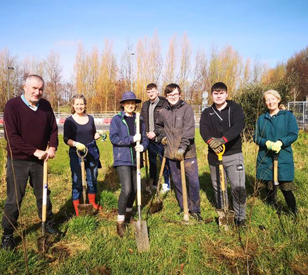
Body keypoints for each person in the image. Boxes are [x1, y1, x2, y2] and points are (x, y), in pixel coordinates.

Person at [1, 75, 59, 250]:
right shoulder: (12, 106)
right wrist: (35, 151)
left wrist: (52, 147)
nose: (37, 92)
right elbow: (12, 137)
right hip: (18, 160)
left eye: (40, 89)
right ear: (24, 87)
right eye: (34, 88)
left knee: (44, 195)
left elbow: (53, 129)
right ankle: (8, 235)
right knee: (15, 199)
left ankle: (47, 223)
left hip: (41, 161)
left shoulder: (46, 106)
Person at [200, 82, 247, 226]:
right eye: (215, 93)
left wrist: (223, 140)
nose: (218, 96)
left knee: (238, 187)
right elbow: (203, 130)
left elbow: (238, 125)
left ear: (226, 94)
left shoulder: (235, 108)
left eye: (221, 93)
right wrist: (210, 141)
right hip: (214, 155)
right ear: (212, 95)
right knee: (218, 187)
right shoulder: (207, 112)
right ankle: (223, 214)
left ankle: (240, 217)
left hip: (233, 154)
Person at [156, 83, 203, 221]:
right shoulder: (163, 111)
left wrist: (182, 148)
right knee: (176, 181)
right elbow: (159, 126)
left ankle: (194, 209)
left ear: (180, 94)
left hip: (187, 153)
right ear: (166, 96)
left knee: (193, 181)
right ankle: (184, 207)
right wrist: (162, 137)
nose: (172, 97)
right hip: (171, 153)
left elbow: (189, 131)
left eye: (175, 94)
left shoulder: (186, 109)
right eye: (170, 95)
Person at [110, 91, 148, 237]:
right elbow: (114, 138)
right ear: (123, 105)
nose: (131, 105)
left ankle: (128, 214)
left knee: (135, 189)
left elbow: (144, 138)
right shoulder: (117, 120)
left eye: (133, 103)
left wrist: (143, 146)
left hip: (136, 158)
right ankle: (120, 222)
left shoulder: (140, 120)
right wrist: (132, 139)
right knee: (126, 189)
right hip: (122, 158)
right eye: (128, 103)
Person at [253, 90, 298, 215]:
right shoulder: (262, 118)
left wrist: (281, 142)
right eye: (267, 100)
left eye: (272, 99)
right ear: (265, 103)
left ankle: (294, 212)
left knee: (286, 188)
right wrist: (265, 142)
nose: (270, 102)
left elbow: (294, 134)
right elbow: (255, 137)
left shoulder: (288, 116)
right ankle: (272, 209)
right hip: (266, 157)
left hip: (283, 157)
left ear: (278, 100)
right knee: (269, 186)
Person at [64, 94, 103, 216]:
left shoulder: (90, 118)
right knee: (77, 181)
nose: (79, 106)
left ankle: (92, 203)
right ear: (73, 105)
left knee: (92, 179)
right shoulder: (69, 121)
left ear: (85, 105)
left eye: (81, 104)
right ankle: (77, 207)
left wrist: (98, 135)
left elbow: (93, 134)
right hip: (76, 153)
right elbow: (66, 139)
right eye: (77, 104)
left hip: (91, 152)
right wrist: (75, 144)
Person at [141, 83, 170, 192]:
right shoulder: (145, 105)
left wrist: (156, 132)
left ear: (157, 91)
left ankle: (167, 184)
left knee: (164, 161)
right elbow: (142, 120)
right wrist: (144, 133)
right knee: (152, 161)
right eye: (148, 92)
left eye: (152, 91)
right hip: (149, 139)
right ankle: (153, 183)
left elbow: (167, 122)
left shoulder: (164, 103)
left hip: (161, 138)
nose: (150, 94)